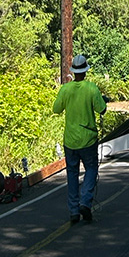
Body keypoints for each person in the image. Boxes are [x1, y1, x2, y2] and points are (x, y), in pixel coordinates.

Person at [53, 54, 107, 224]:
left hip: (70, 140)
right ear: (85, 71)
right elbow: (102, 109)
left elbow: (56, 109)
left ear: (73, 71)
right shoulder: (91, 88)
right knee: (91, 169)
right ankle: (85, 201)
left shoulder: (65, 89)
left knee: (72, 174)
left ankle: (73, 212)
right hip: (88, 139)